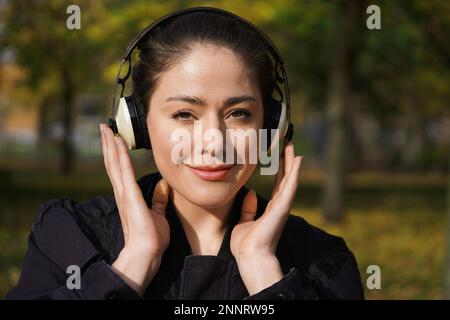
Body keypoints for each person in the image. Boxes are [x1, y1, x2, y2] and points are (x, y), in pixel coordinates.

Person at [6, 7, 364, 300]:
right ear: (137, 125)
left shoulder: (321, 261)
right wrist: (134, 262)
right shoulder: (71, 236)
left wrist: (265, 274)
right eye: (184, 115)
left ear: (271, 127)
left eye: (238, 113)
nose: (214, 143)